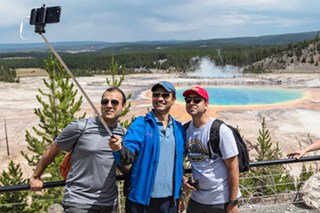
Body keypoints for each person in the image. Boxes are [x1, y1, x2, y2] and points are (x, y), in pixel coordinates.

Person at [29, 87, 127, 213]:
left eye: (114, 102)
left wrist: (130, 174)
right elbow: (53, 149)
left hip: (108, 203)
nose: (109, 105)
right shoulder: (81, 127)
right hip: (79, 201)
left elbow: (116, 161)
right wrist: (36, 176)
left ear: (123, 106)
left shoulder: (123, 134)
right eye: (105, 102)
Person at [109, 81, 185, 213]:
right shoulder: (141, 124)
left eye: (165, 95)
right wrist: (119, 148)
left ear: (173, 100)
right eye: (156, 95)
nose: (160, 98)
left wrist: (179, 195)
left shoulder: (179, 128)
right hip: (142, 201)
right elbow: (127, 154)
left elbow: (178, 163)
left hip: (170, 201)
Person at [182, 85, 241, 213]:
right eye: (188, 100)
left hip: (221, 199)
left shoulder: (220, 130)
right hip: (196, 198)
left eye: (197, 100)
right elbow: (177, 160)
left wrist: (233, 202)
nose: (191, 103)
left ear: (206, 105)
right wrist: (183, 180)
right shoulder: (186, 130)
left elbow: (233, 167)